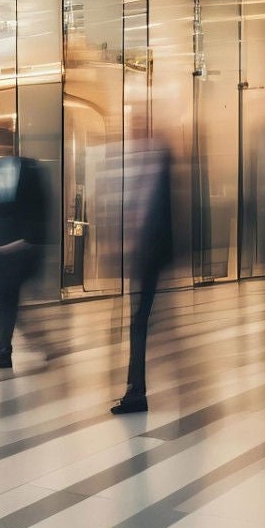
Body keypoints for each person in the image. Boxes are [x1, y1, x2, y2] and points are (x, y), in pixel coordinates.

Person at [112, 136, 174, 414]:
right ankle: (135, 390)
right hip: (142, 257)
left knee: (140, 325)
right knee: (139, 325)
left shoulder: (161, 171)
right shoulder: (144, 171)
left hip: (152, 259)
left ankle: (136, 391)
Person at [0, 151, 52, 371]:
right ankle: (4, 351)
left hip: (23, 249)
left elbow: (42, 210)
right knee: (7, 302)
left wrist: (31, 244)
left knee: (11, 303)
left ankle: (38, 343)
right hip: (2, 250)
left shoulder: (31, 170)